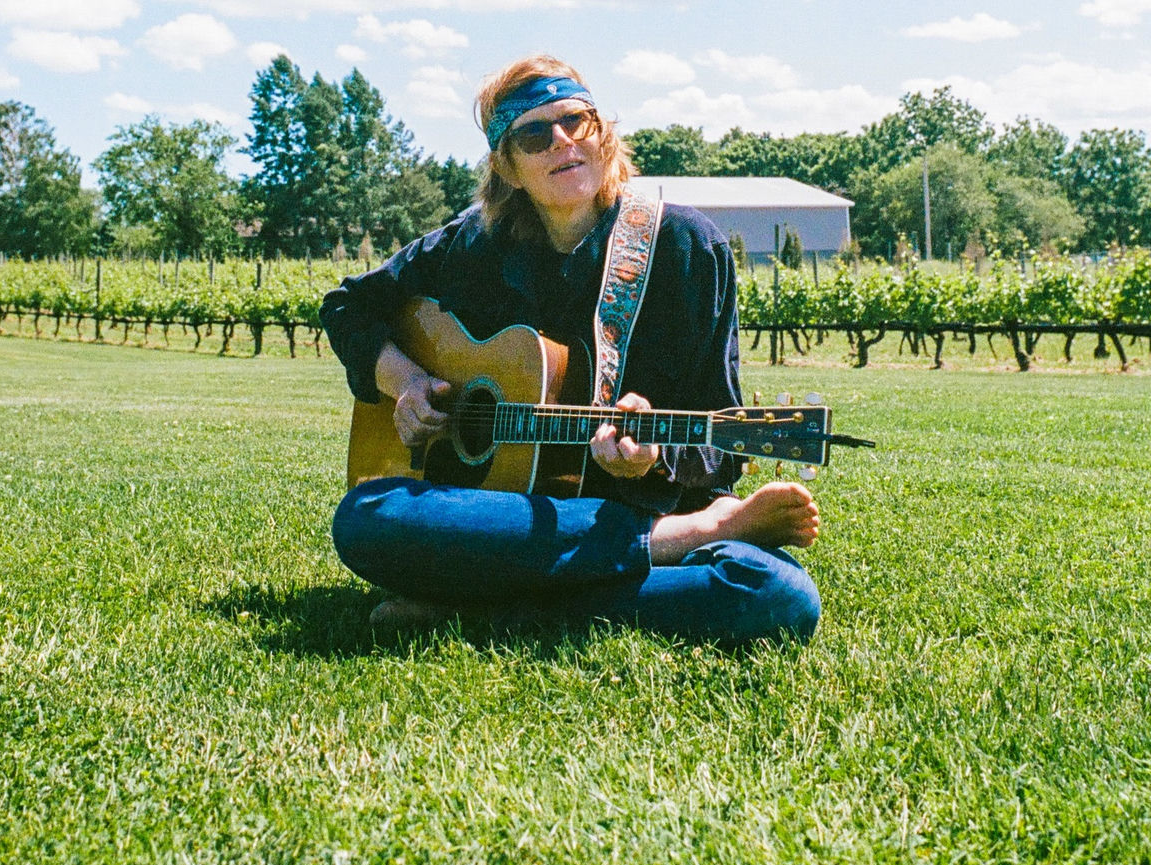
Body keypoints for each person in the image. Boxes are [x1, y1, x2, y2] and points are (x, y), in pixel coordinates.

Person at [320, 54, 821, 645]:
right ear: (507, 167)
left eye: (576, 122)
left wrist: (654, 456)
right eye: (534, 135)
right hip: (502, 518)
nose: (561, 141)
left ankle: (476, 607)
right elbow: (350, 306)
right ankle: (675, 543)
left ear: (602, 136)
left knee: (775, 594)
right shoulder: (472, 245)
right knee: (367, 515)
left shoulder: (686, 247)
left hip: (645, 505)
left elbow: (717, 439)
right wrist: (404, 380)